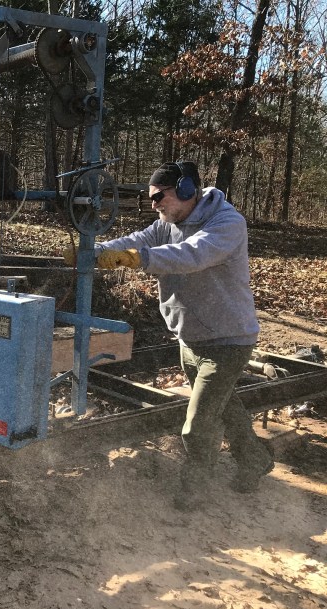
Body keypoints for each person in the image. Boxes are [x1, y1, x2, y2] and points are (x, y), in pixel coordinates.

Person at [70, 161, 274, 511]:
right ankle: (255, 460)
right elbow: (136, 241)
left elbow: (191, 256)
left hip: (228, 340)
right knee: (224, 409)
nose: (154, 205)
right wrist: (96, 252)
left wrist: (129, 260)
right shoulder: (167, 223)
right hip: (190, 337)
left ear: (185, 190)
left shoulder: (226, 223)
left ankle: (195, 491)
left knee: (198, 426)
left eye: (159, 197)